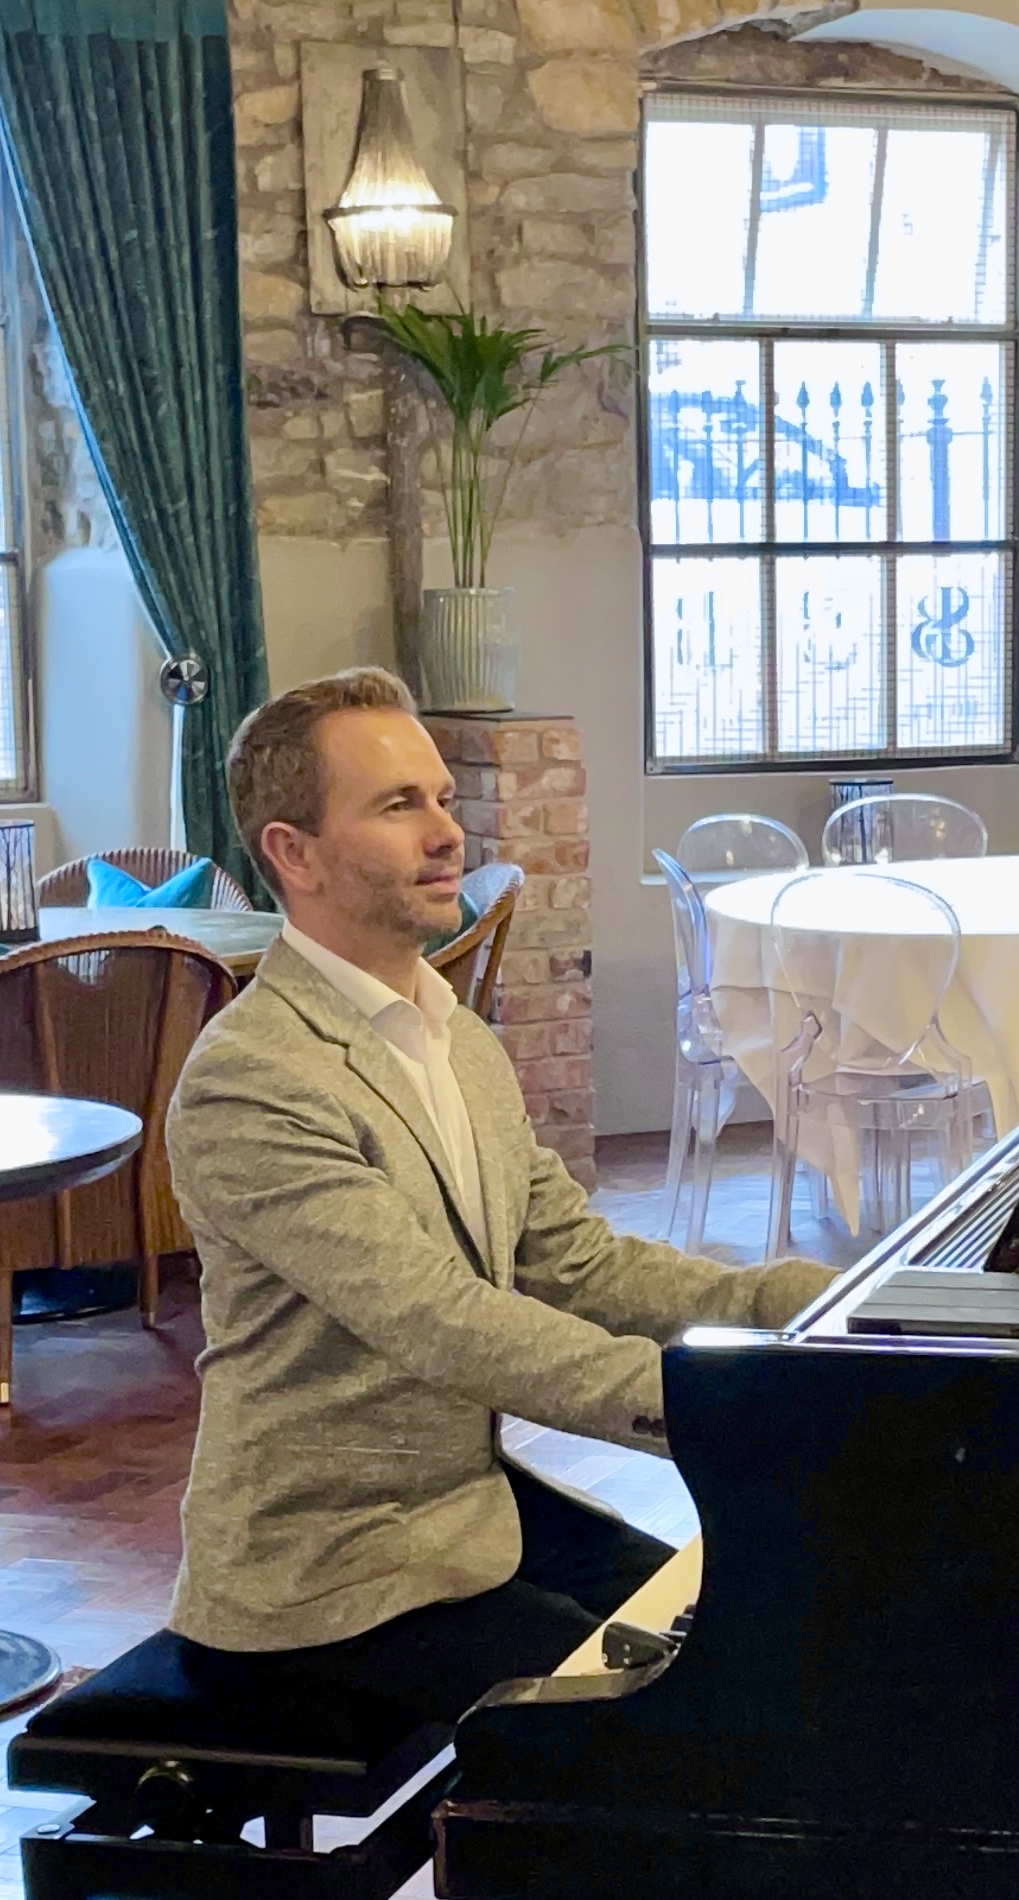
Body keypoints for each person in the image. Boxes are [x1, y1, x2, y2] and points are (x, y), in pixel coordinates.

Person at [164, 666, 836, 1720]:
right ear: (293, 854)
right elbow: (442, 1321)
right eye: (397, 805)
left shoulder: (456, 1036)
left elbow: (573, 1261)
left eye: (440, 797)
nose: (447, 832)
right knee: (693, 1723)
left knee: (768, 1632)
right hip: (326, 1575)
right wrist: (720, 1404)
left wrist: (799, 1306)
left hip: (463, 1512)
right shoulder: (252, 1077)